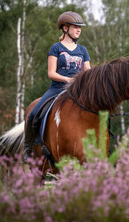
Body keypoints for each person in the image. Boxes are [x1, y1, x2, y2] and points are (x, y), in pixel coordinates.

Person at [22, 11, 91, 163]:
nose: (79, 30)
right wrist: (68, 79)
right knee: (33, 114)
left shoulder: (83, 50)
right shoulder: (56, 48)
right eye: (75, 27)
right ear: (65, 28)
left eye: (80, 27)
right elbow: (51, 73)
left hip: (77, 90)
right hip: (57, 89)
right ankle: (28, 148)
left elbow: (88, 72)